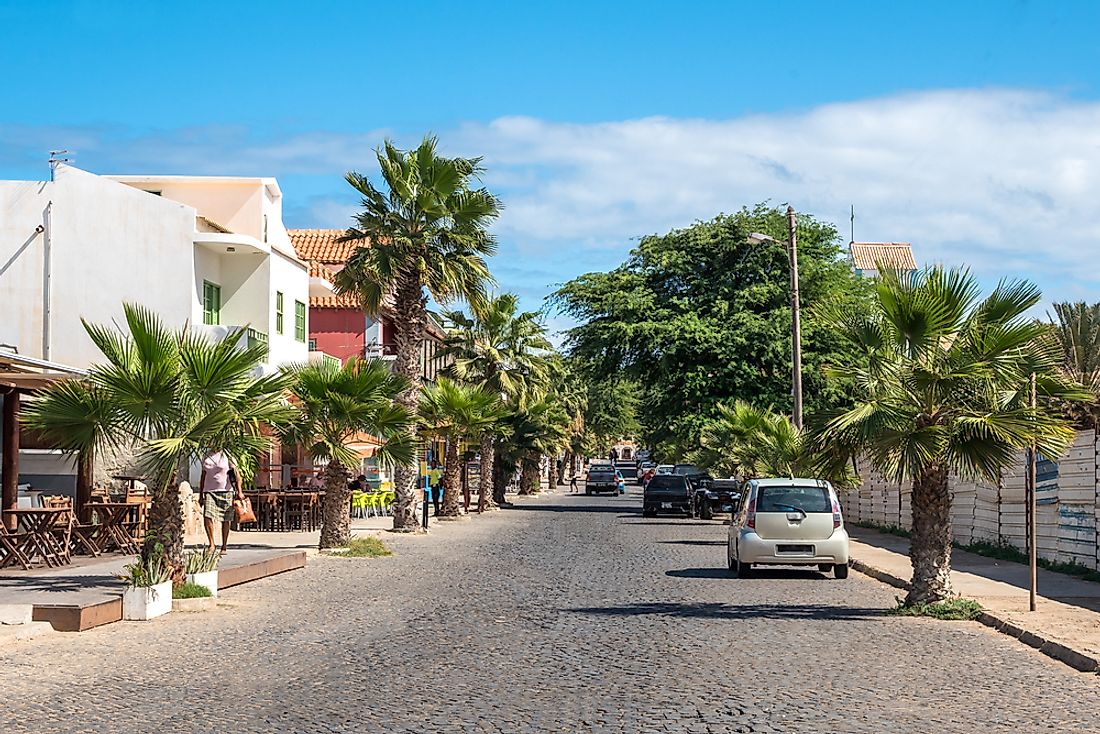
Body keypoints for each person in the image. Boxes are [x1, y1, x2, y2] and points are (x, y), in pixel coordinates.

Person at [200, 448, 242, 556]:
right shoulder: (206, 456)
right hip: (210, 491)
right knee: (207, 515)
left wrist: (240, 491)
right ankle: (212, 544)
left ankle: (224, 545)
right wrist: (201, 494)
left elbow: (237, 475)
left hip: (226, 491)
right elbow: (203, 476)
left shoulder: (227, 455)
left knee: (225, 519)